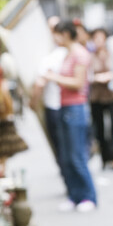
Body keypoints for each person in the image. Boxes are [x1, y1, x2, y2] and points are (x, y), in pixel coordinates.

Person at [43, 20, 97, 212]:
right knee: (66, 156)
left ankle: (88, 196)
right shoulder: (68, 54)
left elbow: (78, 83)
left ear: (65, 33)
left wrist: (54, 77)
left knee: (76, 156)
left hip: (76, 108)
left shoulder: (80, 54)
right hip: (65, 107)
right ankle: (74, 195)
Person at [32, 18, 67, 177]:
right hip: (60, 106)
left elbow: (40, 83)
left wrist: (33, 102)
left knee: (65, 149)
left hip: (62, 107)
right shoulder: (53, 55)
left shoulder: (60, 55)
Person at [89, 27, 113, 170]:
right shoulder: (89, 56)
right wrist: (97, 78)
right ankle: (104, 158)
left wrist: (110, 76)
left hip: (112, 95)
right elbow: (86, 76)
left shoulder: (112, 54)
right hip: (96, 97)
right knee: (99, 129)